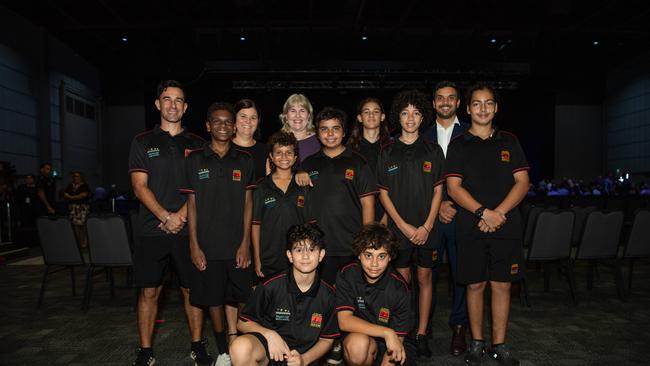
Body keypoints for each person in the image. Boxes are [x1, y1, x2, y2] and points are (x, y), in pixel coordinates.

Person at [445, 83, 530, 366]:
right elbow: (454, 188)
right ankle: (477, 343)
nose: (483, 108)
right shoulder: (458, 145)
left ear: (496, 108)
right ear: (467, 109)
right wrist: (483, 213)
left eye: (488, 103)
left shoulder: (510, 141)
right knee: (475, 285)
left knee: (502, 286)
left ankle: (500, 345)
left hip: (505, 225)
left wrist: (498, 214)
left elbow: (522, 183)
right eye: (477, 104)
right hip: (470, 227)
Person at [128, 80, 209, 366]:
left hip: (190, 231)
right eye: (167, 99)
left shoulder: (198, 144)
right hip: (153, 229)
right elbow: (139, 187)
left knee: (192, 290)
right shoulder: (142, 141)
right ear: (157, 104)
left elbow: (201, 188)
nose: (172, 105)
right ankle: (146, 351)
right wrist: (166, 216)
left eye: (178, 100)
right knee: (149, 291)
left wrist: (181, 217)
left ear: (185, 107)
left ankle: (198, 346)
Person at [183, 102, 256, 365]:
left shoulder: (245, 160)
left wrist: (245, 243)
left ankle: (245, 344)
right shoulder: (194, 159)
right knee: (213, 299)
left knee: (244, 297)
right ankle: (224, 350)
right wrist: (193, 245)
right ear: (208, 125)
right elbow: (191, 206)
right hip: (207, 245)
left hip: (237, 245)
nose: (223, 126)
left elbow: (249, 204)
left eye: (228, 122)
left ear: (234, 125)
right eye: (217, 121)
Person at [378, 89, 444, 358]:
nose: (410, 118)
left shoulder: (433, 149)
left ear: (422, 117)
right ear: (398, 116)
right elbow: (383, 194)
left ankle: (422, 333)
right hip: (399, 230)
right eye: (405, 113)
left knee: (425, 278)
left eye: (416, 113)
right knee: (403, 282)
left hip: (428, 229)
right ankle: (403, 333)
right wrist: (404, 227)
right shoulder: (387, 150)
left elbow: (439, 191)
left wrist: (427, 226)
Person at [232, 223, 339, 366]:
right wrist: (269, 334)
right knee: (240, 348)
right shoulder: (270, 286)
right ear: (290, 255)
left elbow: (327, 339)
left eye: (312, 250)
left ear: (321, 255)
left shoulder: (329, 295)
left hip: (305, 359)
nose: (305, 256)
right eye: (299, 250)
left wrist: (304, 359)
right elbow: (242, 323)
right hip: (271, 354)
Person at [300, 107, 377, 284]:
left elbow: (368, 204)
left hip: (352, 244)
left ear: (343, 132)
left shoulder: (358, 162)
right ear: (317, 134)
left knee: (352, 295)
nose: (330, 133)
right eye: (324, 129)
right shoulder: (308, 164)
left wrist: (366, 241)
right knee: (323, 296)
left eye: (335, 128)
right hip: (319, 245)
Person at [423, 81, 471, 356]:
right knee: (425, 274)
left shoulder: (470, 134)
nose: (445, 102)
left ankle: (459, 327)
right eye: (440, 98)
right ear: (433, 103)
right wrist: (439, 203)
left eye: (451, 98)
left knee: (461, 274)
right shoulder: (421, 134)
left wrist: (451, 203)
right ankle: (423, 327)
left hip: (461, 215)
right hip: (429, 216)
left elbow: (475, 176)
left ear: (458, 103)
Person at [336, 223, 416, 366]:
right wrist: (387, 332)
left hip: (395, 343)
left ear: (390, 257)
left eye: (381, 256)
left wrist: (390, 335)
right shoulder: (347, 274)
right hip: (366, 338)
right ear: (359, 254)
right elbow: (344, 321)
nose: (374, 264)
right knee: (356, 346)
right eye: (368, 255)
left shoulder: (399, 288)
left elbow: (398, 340)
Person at [252, 131, 310, 278]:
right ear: (271, 156)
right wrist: (257, 259)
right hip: (270, 257)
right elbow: (255, 225)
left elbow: (310, 222)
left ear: (295, 157)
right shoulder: (261, 187)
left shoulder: (303, 184)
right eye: (278, 152)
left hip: (299, 256)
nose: (284, 157)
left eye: (289, 152)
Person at [347, 97, 391, 223]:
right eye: (366, 112)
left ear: (382, 117)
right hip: (356, 214)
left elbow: (398, 186)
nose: (371, 115)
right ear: (359, 118)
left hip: (388, 214)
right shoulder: (349, 150)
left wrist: (388, 215)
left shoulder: (392, 148)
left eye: (376, 111)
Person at [233, 99, 269, 180]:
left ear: (258, 121)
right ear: (234, 119)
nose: (248, 121)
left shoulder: (266, 150)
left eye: (253, 117)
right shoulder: (224, 148)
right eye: (243, 116)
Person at [279, 94, 320, 163]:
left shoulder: (320, 141)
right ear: (286, 116)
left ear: (309, 116)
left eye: (302, 110)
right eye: (293, 111)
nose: (298, 115)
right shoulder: (277, 141)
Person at [63, 171, 91, 248]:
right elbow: (65, 194)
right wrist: (72, 198)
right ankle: (76, 242)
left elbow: (84, 195)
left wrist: (72, 197)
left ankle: (83, 243)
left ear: (81, 177)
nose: (76, 178)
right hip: (73, 208)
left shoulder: (85, 185)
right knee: (74, 226)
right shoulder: (70, 185)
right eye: (75, 176)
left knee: (82, 226)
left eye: (78, 176)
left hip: (82, 208)